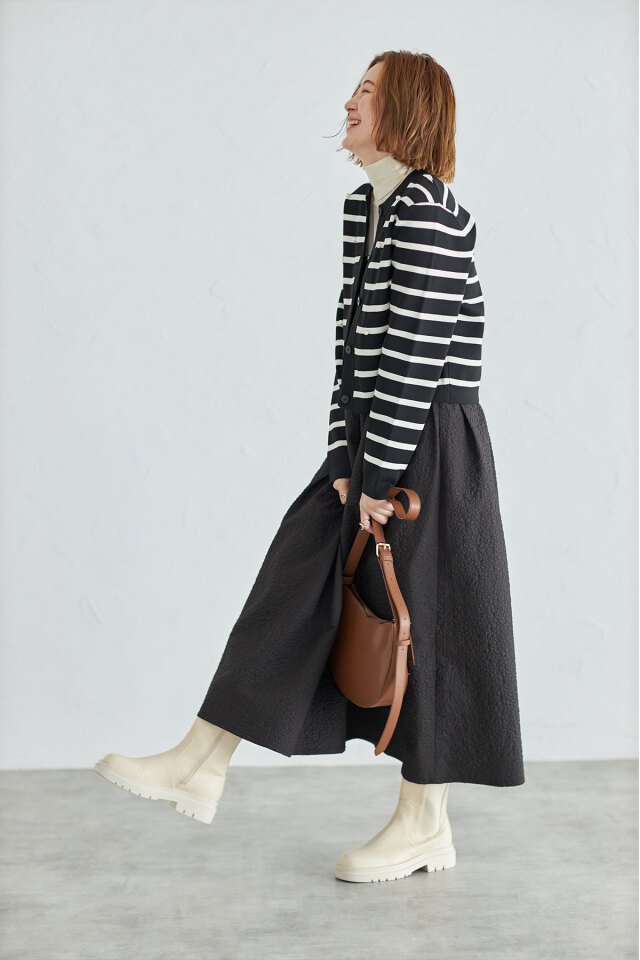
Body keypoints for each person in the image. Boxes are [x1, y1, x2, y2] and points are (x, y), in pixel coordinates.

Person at [94, 49, 525, 884]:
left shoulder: (430, 212)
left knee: (430, 629)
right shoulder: (367, 207)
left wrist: (378, 474)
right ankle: (201, 759)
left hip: (431, 444)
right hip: (379, 441)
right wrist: (342, 455)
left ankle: (424, 824)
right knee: (298, 576)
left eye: (367, 91)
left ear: (408, 109)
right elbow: (350, 349)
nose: (349, 103)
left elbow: (413, 354)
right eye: (355, 89)